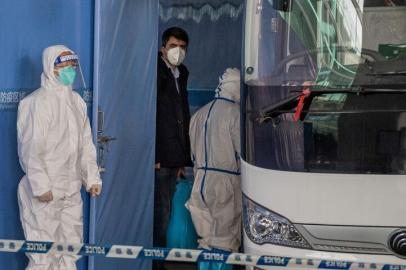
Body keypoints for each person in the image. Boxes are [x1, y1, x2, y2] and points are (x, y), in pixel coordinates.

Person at [17, 45, 102, 270]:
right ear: (50, 67)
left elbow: (85, 144)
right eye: (64, 65)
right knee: (43, 256)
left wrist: (91, 178)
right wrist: (40, 185)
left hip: (71, 190)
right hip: (45, 192)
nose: (70, 70)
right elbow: (31, 148)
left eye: (73, 65)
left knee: (70, 252)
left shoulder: (77, 102)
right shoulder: (37, 103)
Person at [186, 68, 241, 270]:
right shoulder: (235, 114)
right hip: (226, 184)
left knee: (205, 238)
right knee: (225, 239)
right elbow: (241, 153)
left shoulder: (199, 114)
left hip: (200, 182)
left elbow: (191, 152)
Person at [154, 27, 193, 269]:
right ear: (162, 48)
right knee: (159, 216)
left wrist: (181, 159)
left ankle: (160, 261)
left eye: (182, 47)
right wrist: (154, 155)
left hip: (173, 157)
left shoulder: (181, 74)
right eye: (172, 46)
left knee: (166, 214)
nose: (177, 51)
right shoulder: (156, 73)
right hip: (159, 158)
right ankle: (155, 264)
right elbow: (154, 116)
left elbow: (182, 117)